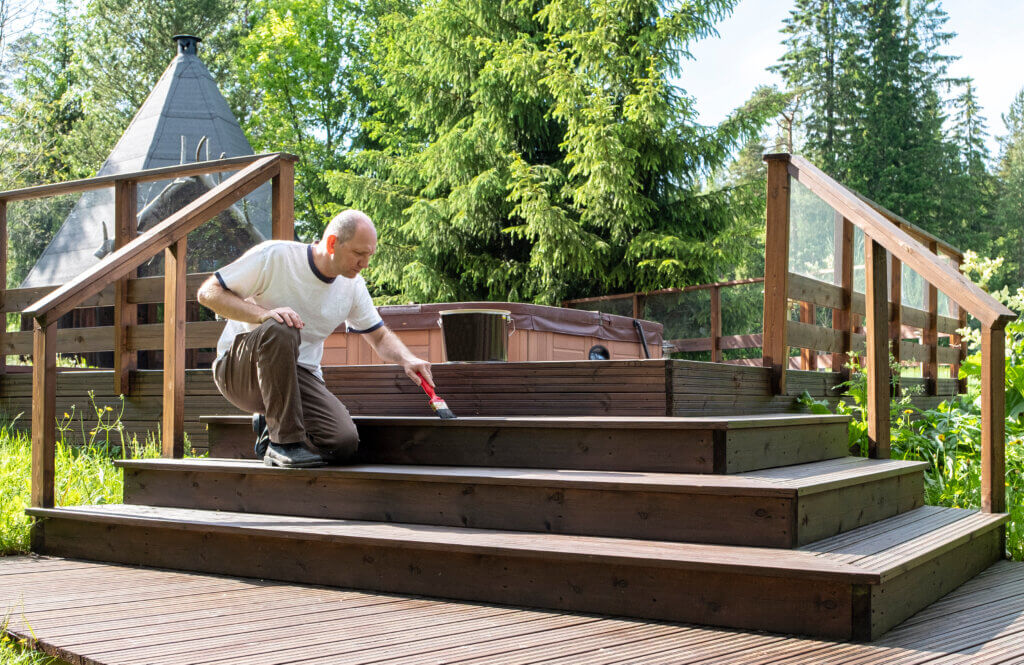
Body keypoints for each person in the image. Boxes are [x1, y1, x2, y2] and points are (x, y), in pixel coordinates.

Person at [197, 210, 433, 468]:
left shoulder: (353, 287)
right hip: (240, 371)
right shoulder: (276, 256)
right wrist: (263, 315)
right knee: (281, 325)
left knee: (342, 443)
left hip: (296, 376)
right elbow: (208, 293)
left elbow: (378, 337)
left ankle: (270, 426)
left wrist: (407, 359)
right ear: (332, 243)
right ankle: (283, 444)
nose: (365, 263)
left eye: (369, 255)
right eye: (358, 253)